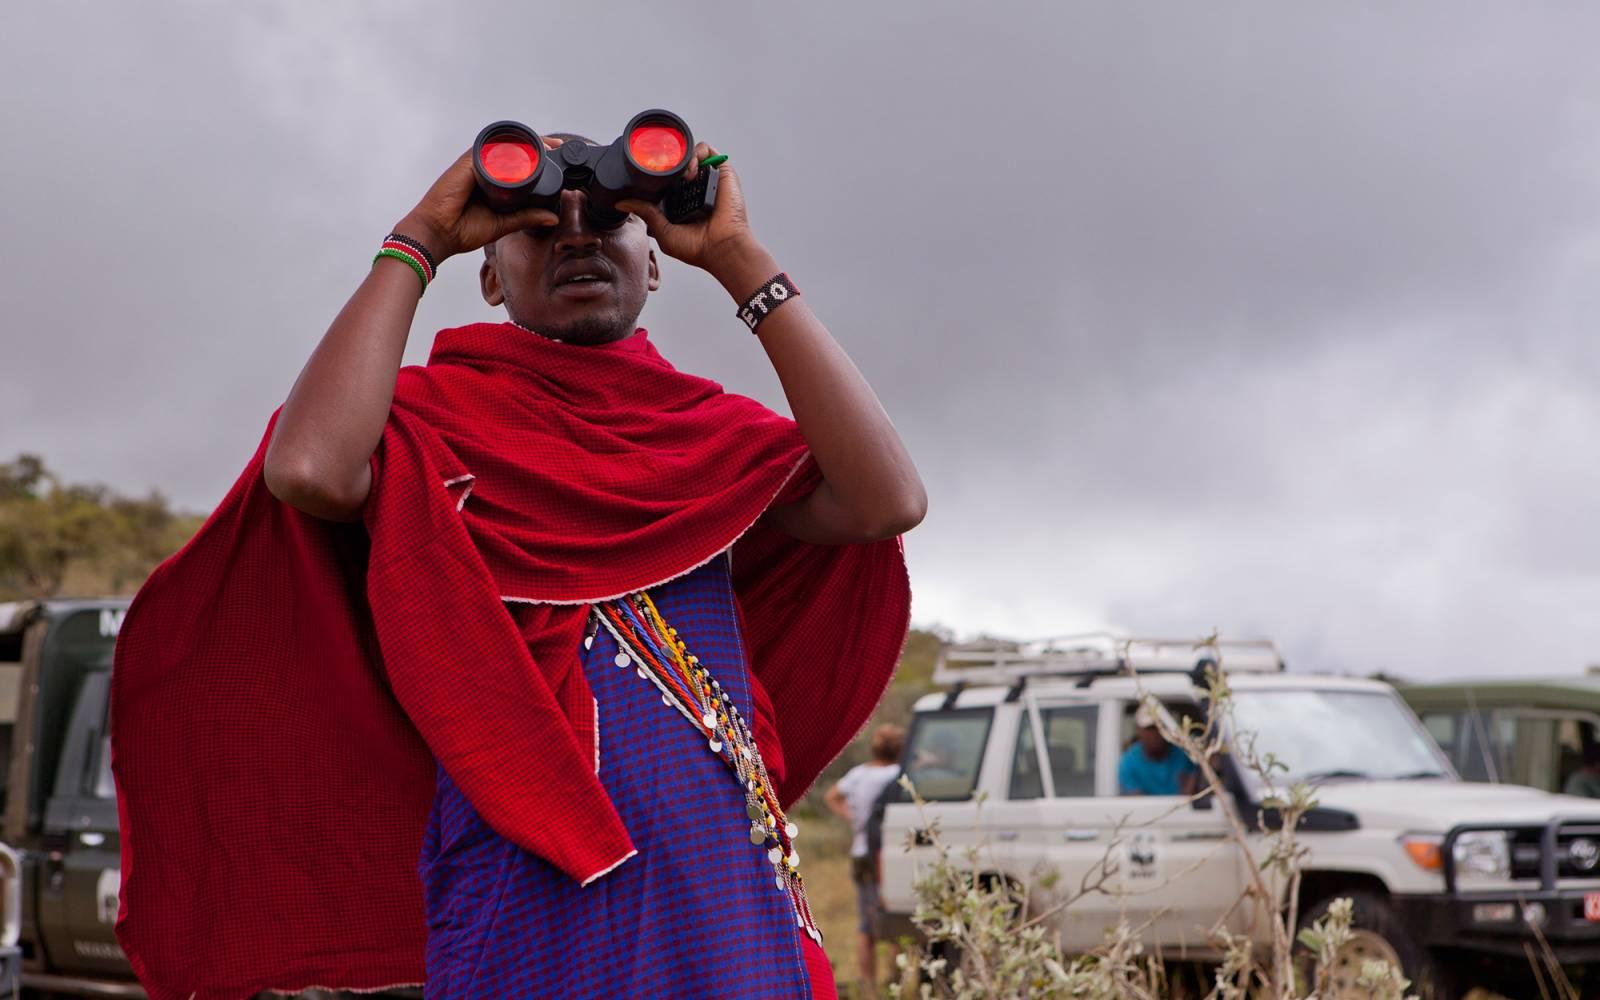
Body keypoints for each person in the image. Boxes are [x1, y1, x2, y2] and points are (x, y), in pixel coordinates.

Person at [112, 128, 924, 999]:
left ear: (653, 264)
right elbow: (308, 470)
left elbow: (887, 502)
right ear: (491, 278)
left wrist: (737, 258)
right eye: (538, 227)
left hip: (724, 879)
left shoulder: (711, 439)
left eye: (611, 219)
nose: (578, 234)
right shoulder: (428, 425)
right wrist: (417, 238)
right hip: (529, 881)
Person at [824, 723, 906, 992]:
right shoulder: (900, 774)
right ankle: (894, 981)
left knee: (866, 925)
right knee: (896, 919)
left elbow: (832, 796)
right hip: (892, 854)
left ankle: (869, 987)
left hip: (861, 853)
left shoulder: (857, 775)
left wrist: (854, 819)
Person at [1118, 704, 1198, 796]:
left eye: (1160, 728)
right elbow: (1138, 802)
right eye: (1150, 728)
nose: (1155, 734)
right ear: (1139, 730)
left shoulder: (1183, 755)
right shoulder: (1128, 762)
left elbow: (1190, 791)